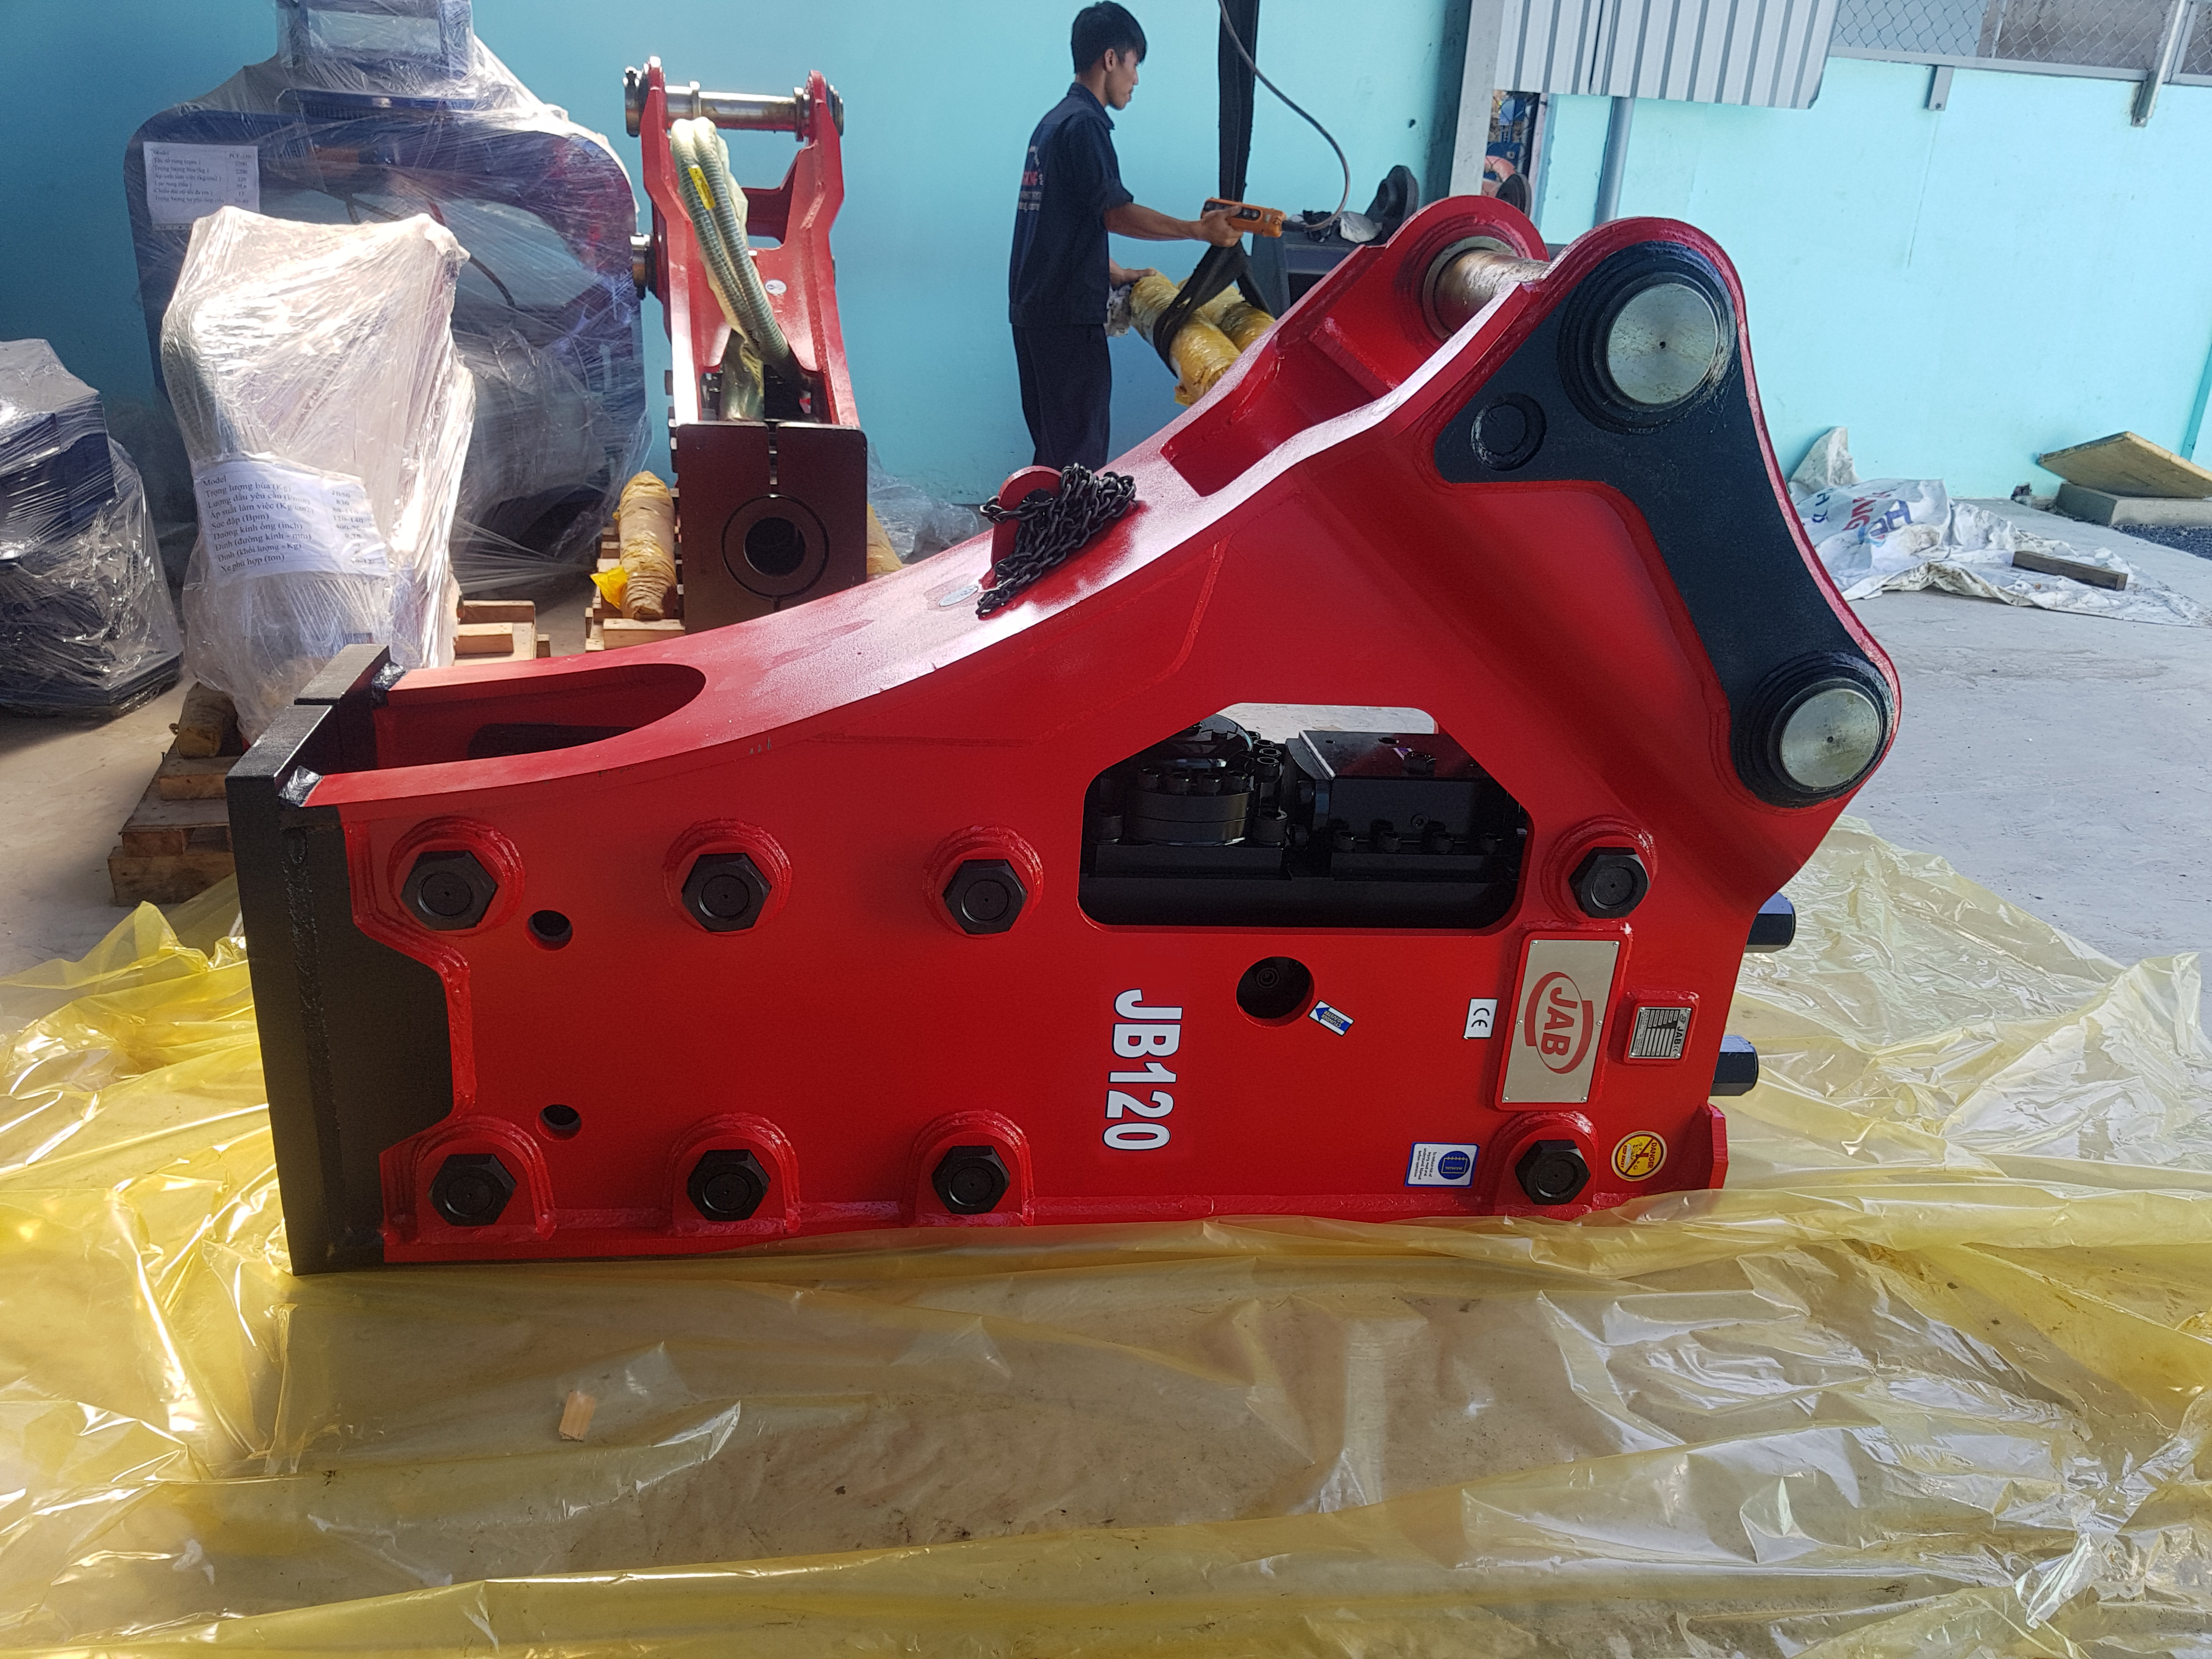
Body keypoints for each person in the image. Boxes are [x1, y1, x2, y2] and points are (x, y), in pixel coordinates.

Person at [1009, 3, 1242, 470]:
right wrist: (1198, 231)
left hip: (1033, 311)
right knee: (1078, 465)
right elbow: (1115, 213)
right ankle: (1067, 523)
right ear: (1111, 59)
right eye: (1134, 65)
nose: (1135, 80)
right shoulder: (1086, 125)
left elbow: (1061, 218)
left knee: (1053, 457)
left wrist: (1111, 270)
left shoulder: (1052, 123)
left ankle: (1041, 522)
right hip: (1068, 319)